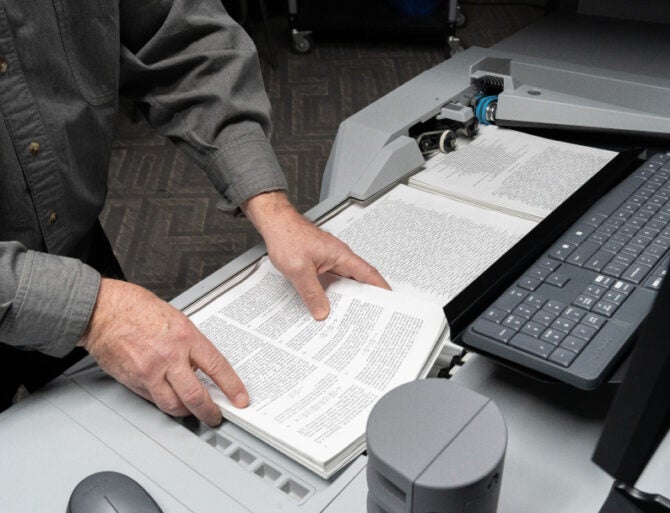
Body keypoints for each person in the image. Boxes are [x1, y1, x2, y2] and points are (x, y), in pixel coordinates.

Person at [0, 0, 388, 426]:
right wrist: (97, 314)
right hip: (73, 295)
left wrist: (269, 205)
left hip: (73, 246)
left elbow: (184, 40)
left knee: (134, 441)